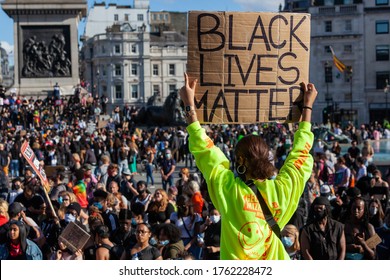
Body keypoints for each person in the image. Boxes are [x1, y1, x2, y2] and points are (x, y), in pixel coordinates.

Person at [179, 73, 317, 260]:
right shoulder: (283, 190)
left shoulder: (228, 189)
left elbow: (205, 150)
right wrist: (307, 107)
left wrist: (189, 105)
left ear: (240, 161)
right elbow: (301, 153)